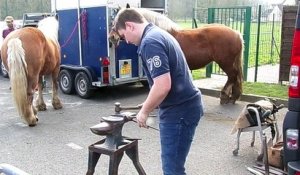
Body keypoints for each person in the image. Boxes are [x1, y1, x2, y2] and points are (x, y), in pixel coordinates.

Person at [113, 8, 204, 175]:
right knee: (174, 166)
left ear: (129, 25)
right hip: (184, 107)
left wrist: (144, 112)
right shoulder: (157, 34)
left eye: (123, 35)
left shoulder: (150, 42)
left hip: (179, 112)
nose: (125, 41)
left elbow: (163, 85)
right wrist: (150, 103)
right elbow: (170, 78)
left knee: (172, 169)